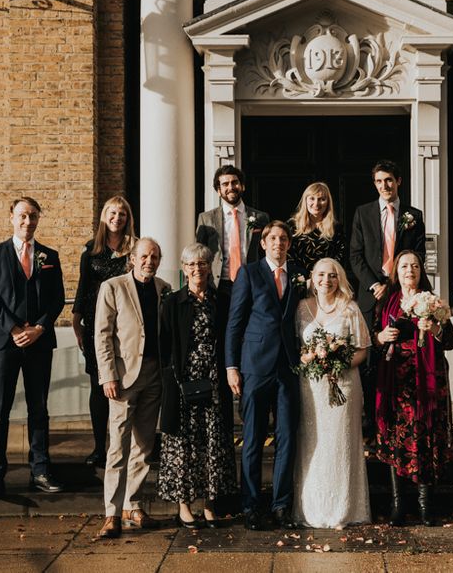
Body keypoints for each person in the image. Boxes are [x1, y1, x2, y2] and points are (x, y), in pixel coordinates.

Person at [0, 196, 66, 499]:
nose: (28, 222)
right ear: (12, 217)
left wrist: (39, 328)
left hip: (39, 342)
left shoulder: (49, 255)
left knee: (39, 408)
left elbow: (56, 299)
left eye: (34, 217)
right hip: (4, 341)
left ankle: (40, 470)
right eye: (23, 216)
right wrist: (15, 329)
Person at [225, 220, 304, 530]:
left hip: (288, 366)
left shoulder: (297, 275)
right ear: (263, 243)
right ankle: (251, 504)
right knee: (253, 438)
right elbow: (235, 322)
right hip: (255, 366)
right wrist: (232, 366)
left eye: (284, 239)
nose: (279, 243)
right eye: (273, 238)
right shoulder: (249, 272)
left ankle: (281, 503)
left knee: (286, 437)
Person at [94, 238, 172, 538]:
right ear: (133, 258)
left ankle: (133, 504)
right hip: (124, 377)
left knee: (144, 446)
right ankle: (111, 512)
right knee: (118, 446)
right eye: (144, 256)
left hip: (154, 375)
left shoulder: (163, 289)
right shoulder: (113, 287)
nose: (149, 261)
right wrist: (108, 376)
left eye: (154, 256)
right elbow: (103, 335)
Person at [374, 250, 453, 526]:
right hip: (397, 383)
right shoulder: (387, 302)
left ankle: (424, 505)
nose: (410, 270)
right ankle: (398, 504)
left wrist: (434, 329)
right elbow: (372, 337)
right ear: (396, 271)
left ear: (422, 270)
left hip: (427, 382)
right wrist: (381, 336)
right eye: (404, 266)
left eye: (415, 266)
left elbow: (452, 341)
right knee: (397, 439)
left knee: (425, 439)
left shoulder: (433, 301)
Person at [158, 243, 237, 528]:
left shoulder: (221, 300)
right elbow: (164, 344)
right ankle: (184, 505)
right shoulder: (172, 301)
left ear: (209, 266)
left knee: (212, 443)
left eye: (202, 263)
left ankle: (209, 504)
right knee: (185, 445)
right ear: (183, 268)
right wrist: (172, 379)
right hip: (183, 383)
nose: (197, 269)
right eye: (191, 264)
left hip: (214, 382)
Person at [350, 160, 426, 439]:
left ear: (399, 181)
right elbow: (355, 255)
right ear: (375, 184)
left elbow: (418, 256)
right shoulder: (363, 213)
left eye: (389, 180)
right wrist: (373, 284)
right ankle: (372, 422)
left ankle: (401, 421)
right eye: (379, 181)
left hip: (400, 295)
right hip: (371, 298)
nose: (384, 186)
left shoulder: (413, 215)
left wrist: (392, 284)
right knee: (371, 357)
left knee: (402, 356)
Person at [293, 258, 371, 527]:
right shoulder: (302, 308)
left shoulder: (350, 308)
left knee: (340, 444)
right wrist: (310, 359)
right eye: (321, 275)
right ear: (312, 279)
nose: (327, 280)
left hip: (343, 385)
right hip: (311, 388)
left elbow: (362, 349)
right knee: (313, 444)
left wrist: (339, 364)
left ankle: (343, 508)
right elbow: (297, 349)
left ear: (340, 279)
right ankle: (312, 507)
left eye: (333, 275)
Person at [71, 196, 136, 469]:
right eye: (112, 212)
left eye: (122, 213)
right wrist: (76, 322)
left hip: (125, 326)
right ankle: (100, 447)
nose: (117, 217)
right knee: (99, 388)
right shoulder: (91, 251)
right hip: (95, 325)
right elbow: (83, 287)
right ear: (104, 216)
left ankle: (127, 445)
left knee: (128, 386)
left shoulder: (133, 249)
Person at [196, 165, 269, 330]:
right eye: (225, 184)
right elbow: (200, 254)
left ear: (242, 186)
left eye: (234, 182)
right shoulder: (206, 218)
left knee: (249, 329)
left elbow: (265, 252)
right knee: (221, 331)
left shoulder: (260, 218)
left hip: (250, 283)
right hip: (219, 285)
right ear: (218, 190)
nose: (230, 187)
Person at [288, 181, 347, 276]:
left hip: (327, 281)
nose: (316, 203)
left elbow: (340, 255)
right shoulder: (292, 225)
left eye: (322, 199)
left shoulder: (336, 227)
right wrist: (303, 277)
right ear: (305, 200)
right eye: (312, 198)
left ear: (328, 202)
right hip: (298, 281)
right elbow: (288, 255)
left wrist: (323, 276)